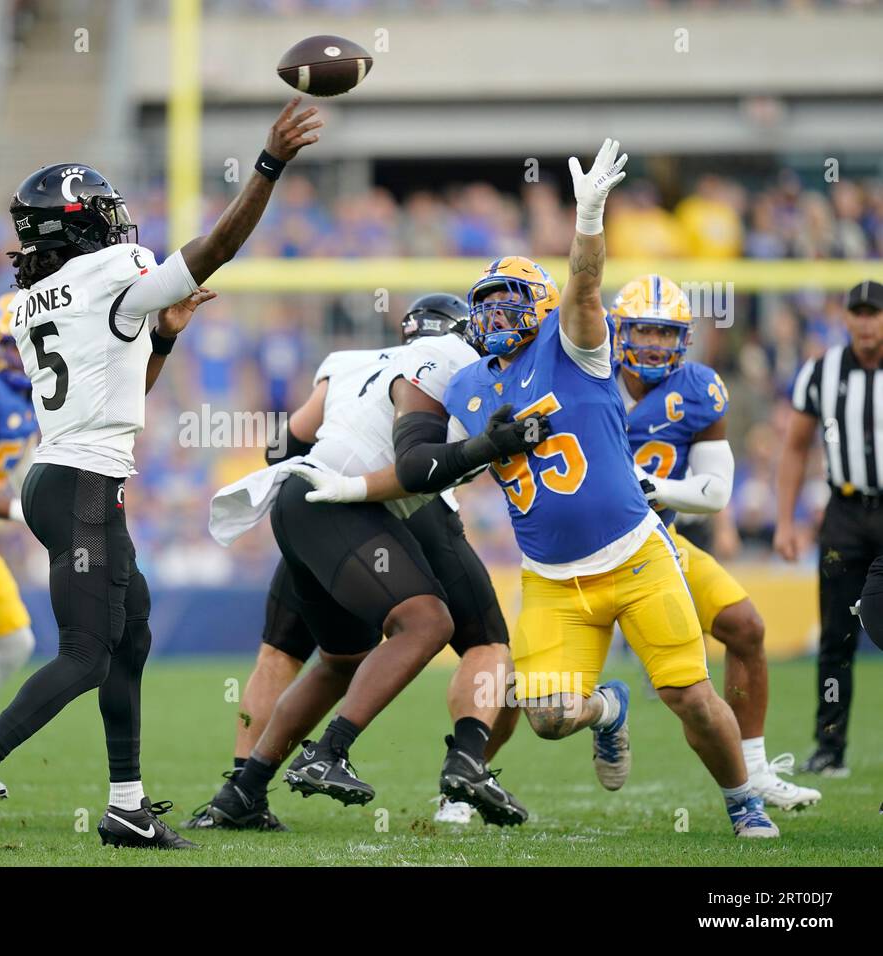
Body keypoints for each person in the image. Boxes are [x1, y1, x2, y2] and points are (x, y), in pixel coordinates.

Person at [305, 141, 778, 838]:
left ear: (541, 304)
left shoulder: (576, 343)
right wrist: (354, 489)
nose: (496, 314)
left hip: (636, 556)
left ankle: (745, 801)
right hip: (554, 580)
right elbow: (433, 468)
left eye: (509, 300)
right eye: (486, 304)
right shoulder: (467, 384)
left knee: (690, 696)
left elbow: (586, 286)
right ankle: (608, 711)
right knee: (550, 718)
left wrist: (588, 219)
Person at [0, 98, 322, 855]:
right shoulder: (117, 269)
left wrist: (163, 338)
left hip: (71, 479)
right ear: (80, 226)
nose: (118, 224)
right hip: (78, 485)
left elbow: (120, 388)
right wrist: (268, 163)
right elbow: (215, 250)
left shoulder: (28, 300)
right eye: (102, 213)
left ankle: (127, 805)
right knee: (85, 653)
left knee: (131, 634)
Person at [202, 292, 527, 829]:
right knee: (454, 629)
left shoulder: (355, 362)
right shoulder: (451, 361)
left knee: (325, 658)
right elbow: (417, 467)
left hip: (315, 495)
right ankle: (350, 754)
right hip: (374, 506)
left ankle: (242, 791)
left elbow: (283, 445)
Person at [611, 273, 819, 809]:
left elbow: (715, 490)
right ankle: (465, 782)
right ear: (619, 330)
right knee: (541, 688)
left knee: (745, 628)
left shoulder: (698, 389)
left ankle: (753, 771)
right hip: (584, 553)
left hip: (659, 542)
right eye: (645, 330)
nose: (655, 343)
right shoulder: (587, 378)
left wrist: (654, 487)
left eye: (666, 332)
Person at [775, 278, 883, 776]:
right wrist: (786, 520)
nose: (866, 322)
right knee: (836, 635)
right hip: (843, 513)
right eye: (857, 313)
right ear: (845, 319)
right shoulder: (821, 372)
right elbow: (796, 447)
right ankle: (830, 746)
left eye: (874, 313)